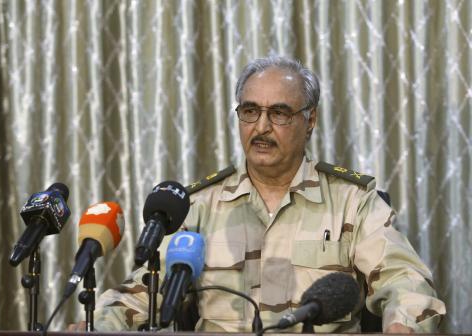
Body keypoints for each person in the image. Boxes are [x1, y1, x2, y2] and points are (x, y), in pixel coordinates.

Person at [79, 56, 445, 333]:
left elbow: (405, 281)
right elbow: (143, 292)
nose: (262, 127)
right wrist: (96, 325)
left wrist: (404, 323)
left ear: (310, 120)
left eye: (280, 113)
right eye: (250, 111)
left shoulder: (352, 202)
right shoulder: (198, 207)